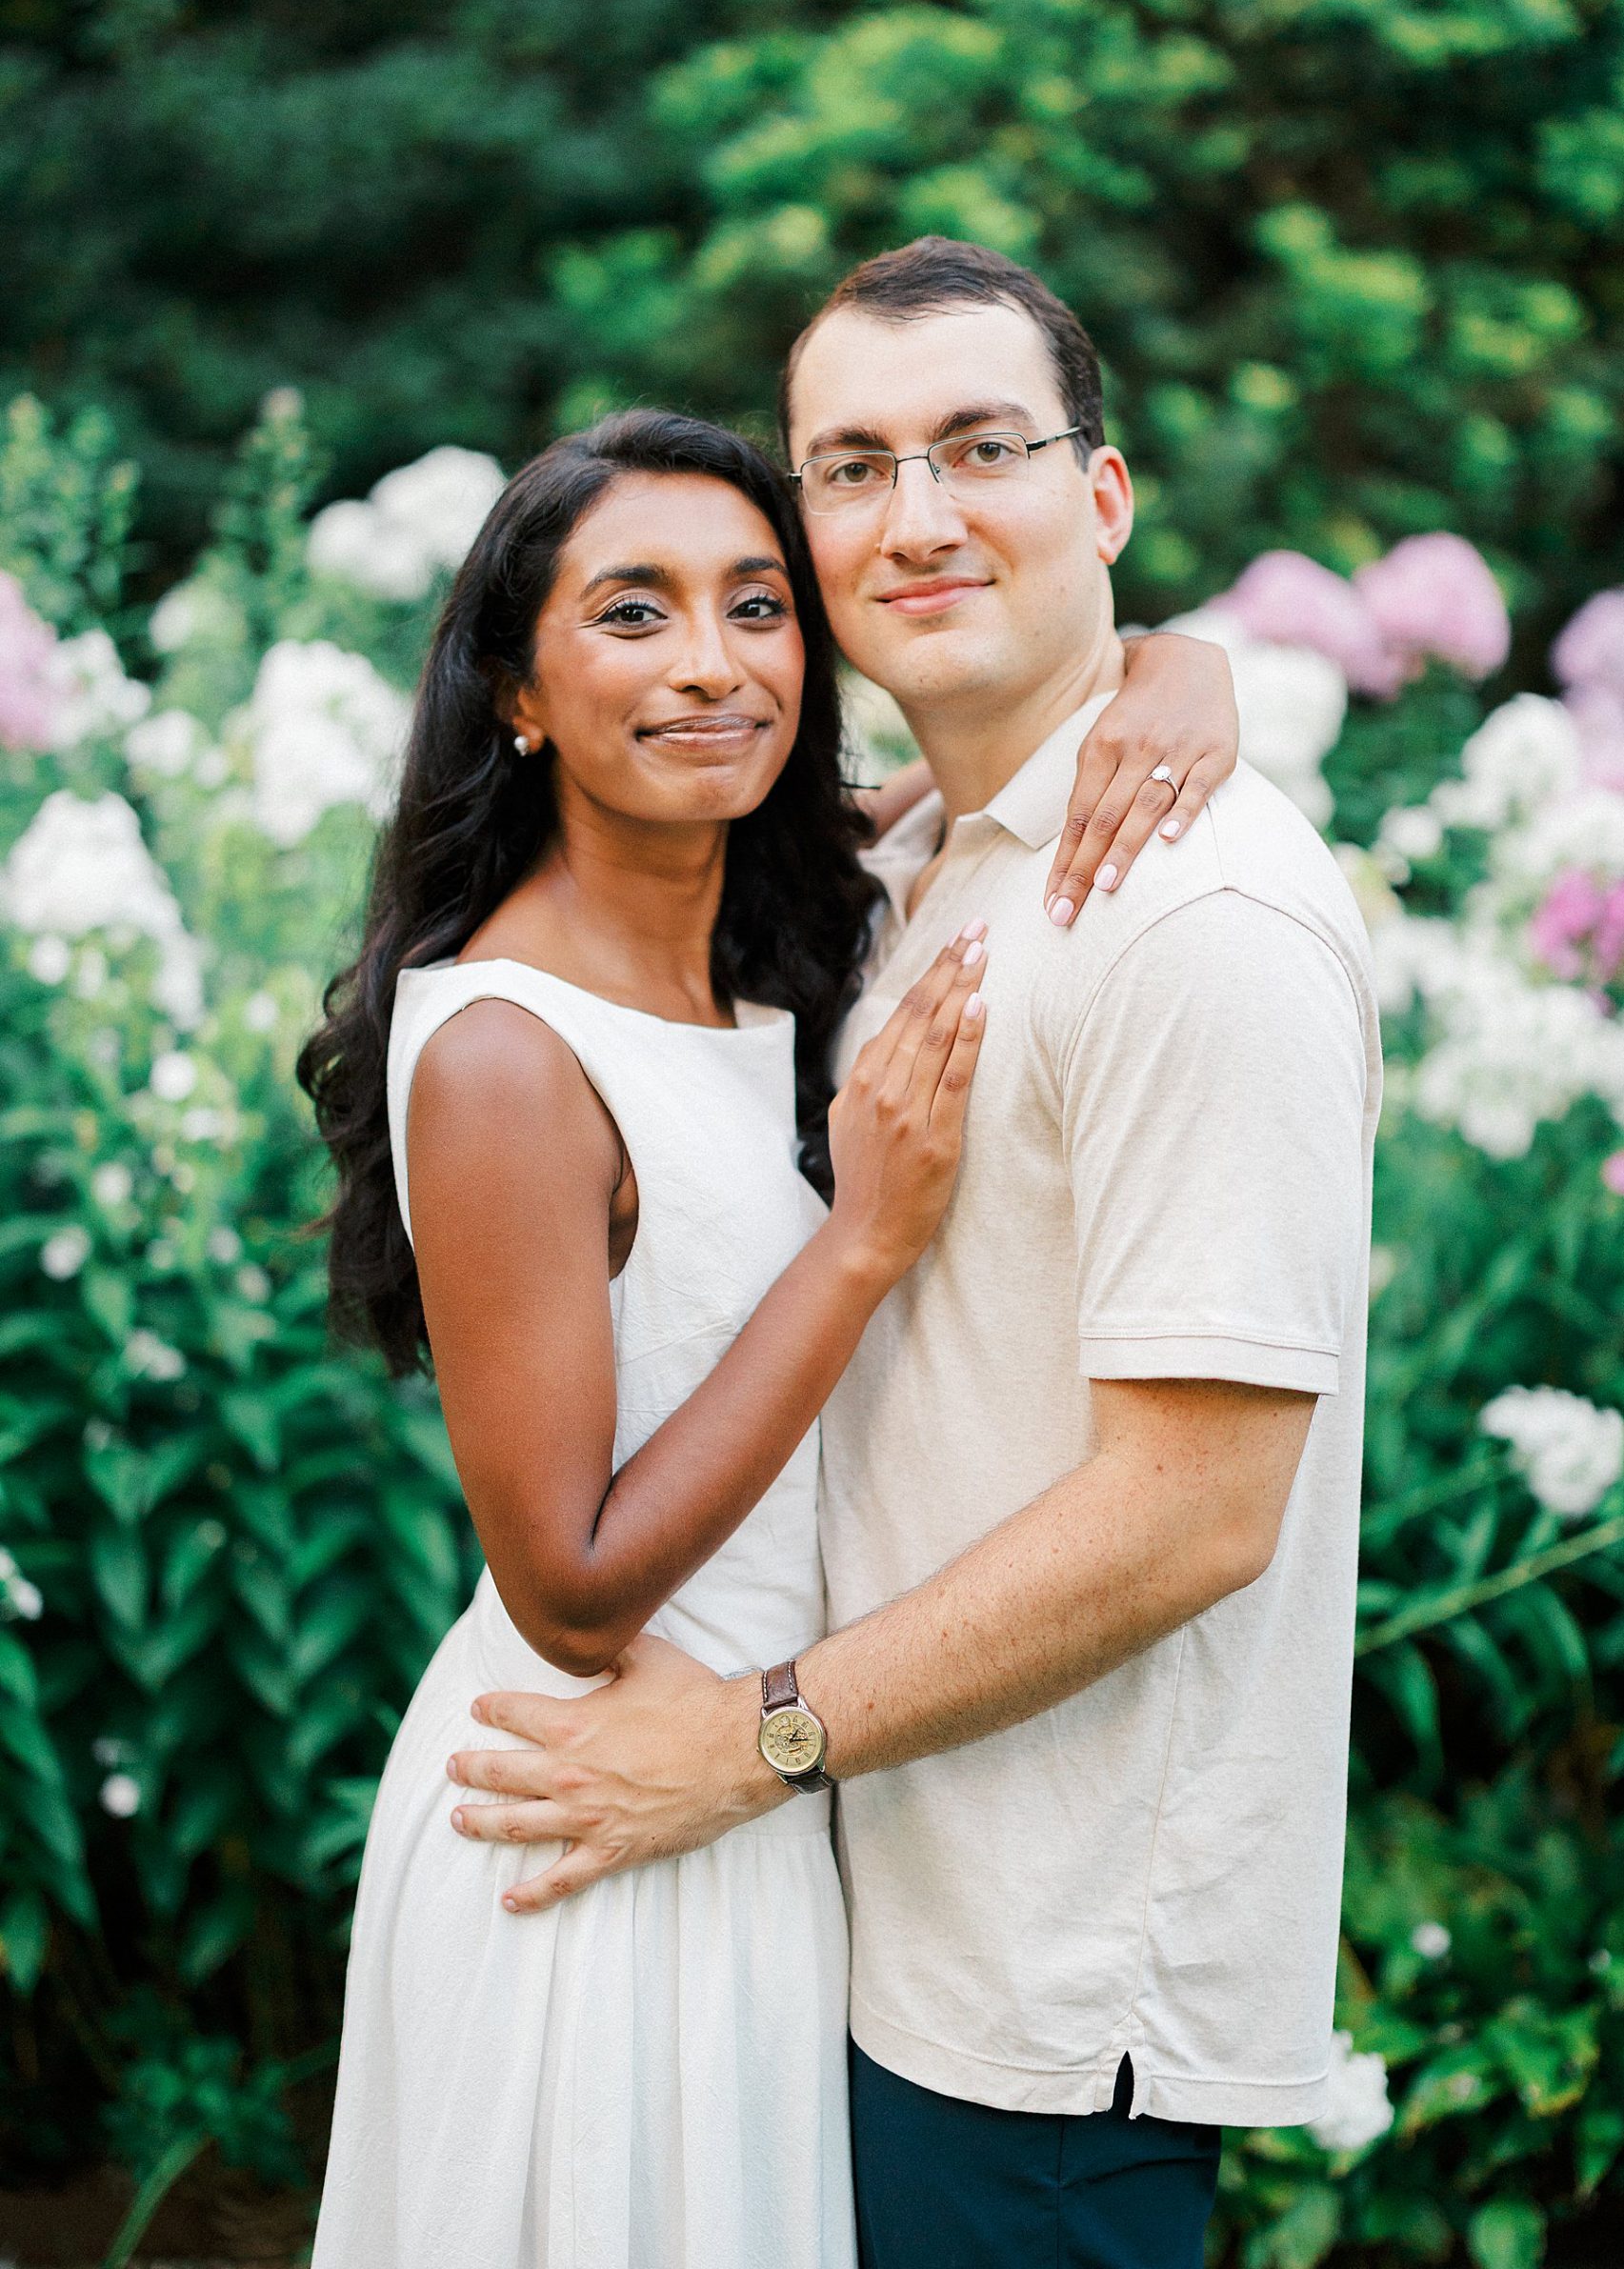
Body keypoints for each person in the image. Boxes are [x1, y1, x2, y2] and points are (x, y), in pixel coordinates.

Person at [449, 240, 1382, 2269]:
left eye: (982, 448)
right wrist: (1167, 663)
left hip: (1040, 1983)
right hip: (864, 1912)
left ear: (1104, 493)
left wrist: (754, 1738)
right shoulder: (916, 860)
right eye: (854, 469)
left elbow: (1195, 1509)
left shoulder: (1198, 919)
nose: (919, 514)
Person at [299, 400, 1237, 2267]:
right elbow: (568, 1588)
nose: (711, 664)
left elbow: (1035, 742)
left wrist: (1178, 665)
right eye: (631, 613)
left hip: (745, 1798)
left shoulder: (780, 928)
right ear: (517, 692)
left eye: (755, 604)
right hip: (593, 1814)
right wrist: (861, 1241)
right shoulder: (505, 1049)